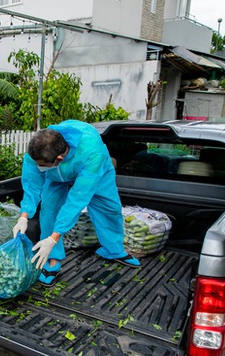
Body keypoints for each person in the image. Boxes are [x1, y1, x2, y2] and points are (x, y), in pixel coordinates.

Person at [13, 119, 141, 286]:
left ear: (59, 158)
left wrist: (54, 238)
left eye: (41, 165)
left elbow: (78, 199)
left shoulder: (92, 153)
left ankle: (114, 250)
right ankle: (53, 260)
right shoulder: (39, 149)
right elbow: (31, 183)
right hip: (56, 177)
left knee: (109, 208)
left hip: (93, 171)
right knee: (49, 210)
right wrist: (24, 215)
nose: (38, 166)